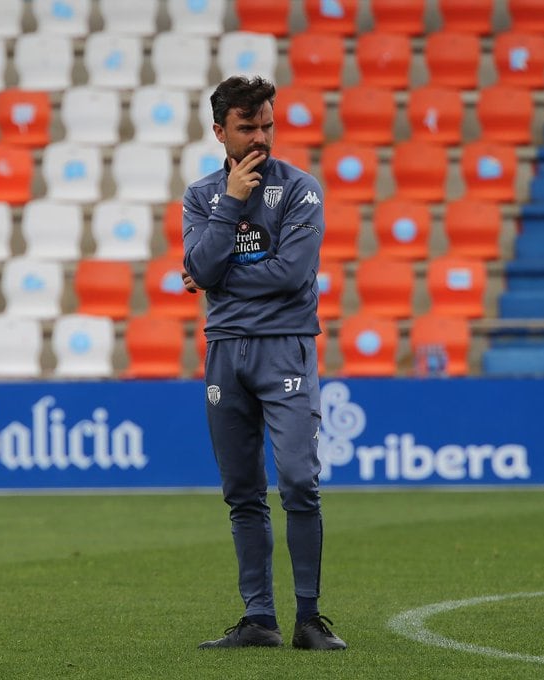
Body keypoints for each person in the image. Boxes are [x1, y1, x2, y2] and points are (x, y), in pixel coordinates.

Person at [181, 75, 346, 651]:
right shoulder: (203, 196)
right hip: (225, 351)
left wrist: (216, 276)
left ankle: (308, 618)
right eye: (247, 127)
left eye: (267, 125)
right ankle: (259, 620)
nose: (259, 137)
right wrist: (231, 203)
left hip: (285, 346)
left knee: (299, 481)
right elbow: (205, 269)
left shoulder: (300, 189)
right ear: (220, 130)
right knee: (242, 491)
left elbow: (291, 274)